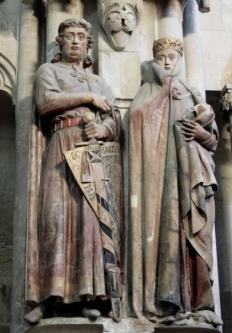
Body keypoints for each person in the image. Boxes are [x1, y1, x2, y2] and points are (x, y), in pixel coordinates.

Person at [25, 18, 122, 324]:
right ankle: (49, 296)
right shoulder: (48, 71)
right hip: (61, 142)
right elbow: (45, 103)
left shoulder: (101, 82)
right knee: (55, 217)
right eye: (69, 36)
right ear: (60, 42)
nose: (76, 41)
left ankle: (88, 295)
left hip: (92, 151)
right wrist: (87, 98)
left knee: (89, 222)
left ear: (89, 45)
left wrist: (103, 129)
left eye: (81, 36)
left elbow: (115, 119)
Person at [129, 37, 221, 326]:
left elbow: (213, 139)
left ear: (180, 59)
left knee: (200, 235)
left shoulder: (192, 92)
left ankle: (202, 304)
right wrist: (160, 96)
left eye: (172, 57)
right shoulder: (149, 90)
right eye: (162, 58)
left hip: (197, 173)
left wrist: (201, 134)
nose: (167, 62)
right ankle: (173, 302)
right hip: (167, 178)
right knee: (171, 235)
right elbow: (134, 120)